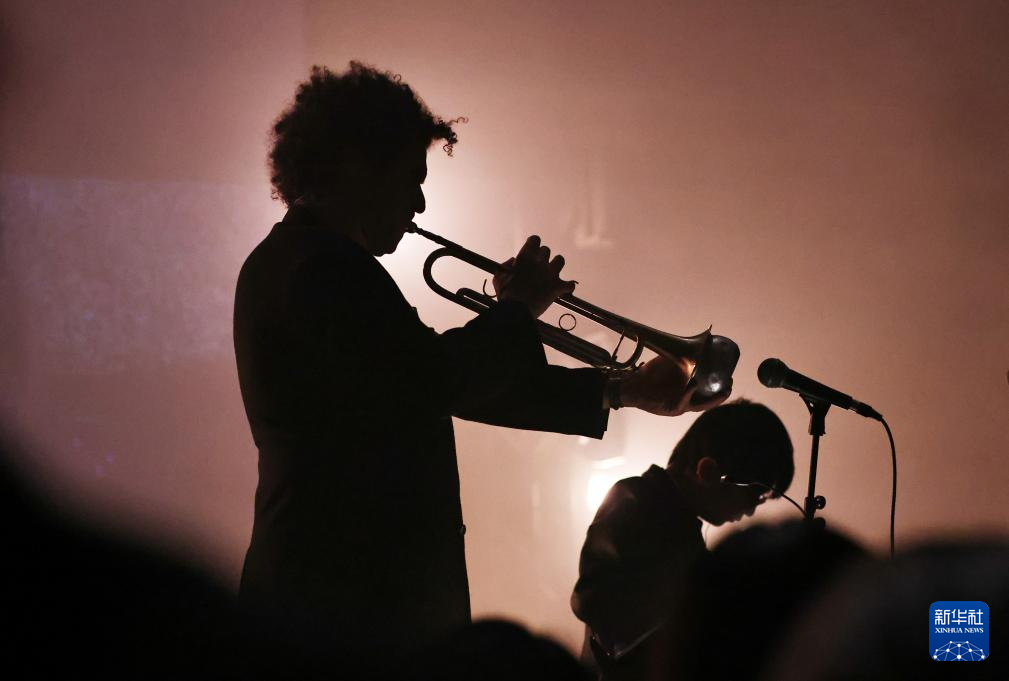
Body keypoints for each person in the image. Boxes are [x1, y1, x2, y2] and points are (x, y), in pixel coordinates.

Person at [233, 62, 727, 667]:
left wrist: (622, 389)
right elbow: (441, 379)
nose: (418, 205)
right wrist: (514, 310)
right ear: (358, 164)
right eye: (411, 180)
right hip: (343, 601)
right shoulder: (318, 268)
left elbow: (438, 387)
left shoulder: (307, 261)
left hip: (348, 594)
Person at [570, 399, 794, 681]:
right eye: (754, 494)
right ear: (708, 470)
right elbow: (592, 600)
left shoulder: (683, 533)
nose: (750, 510)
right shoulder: (636, 499)